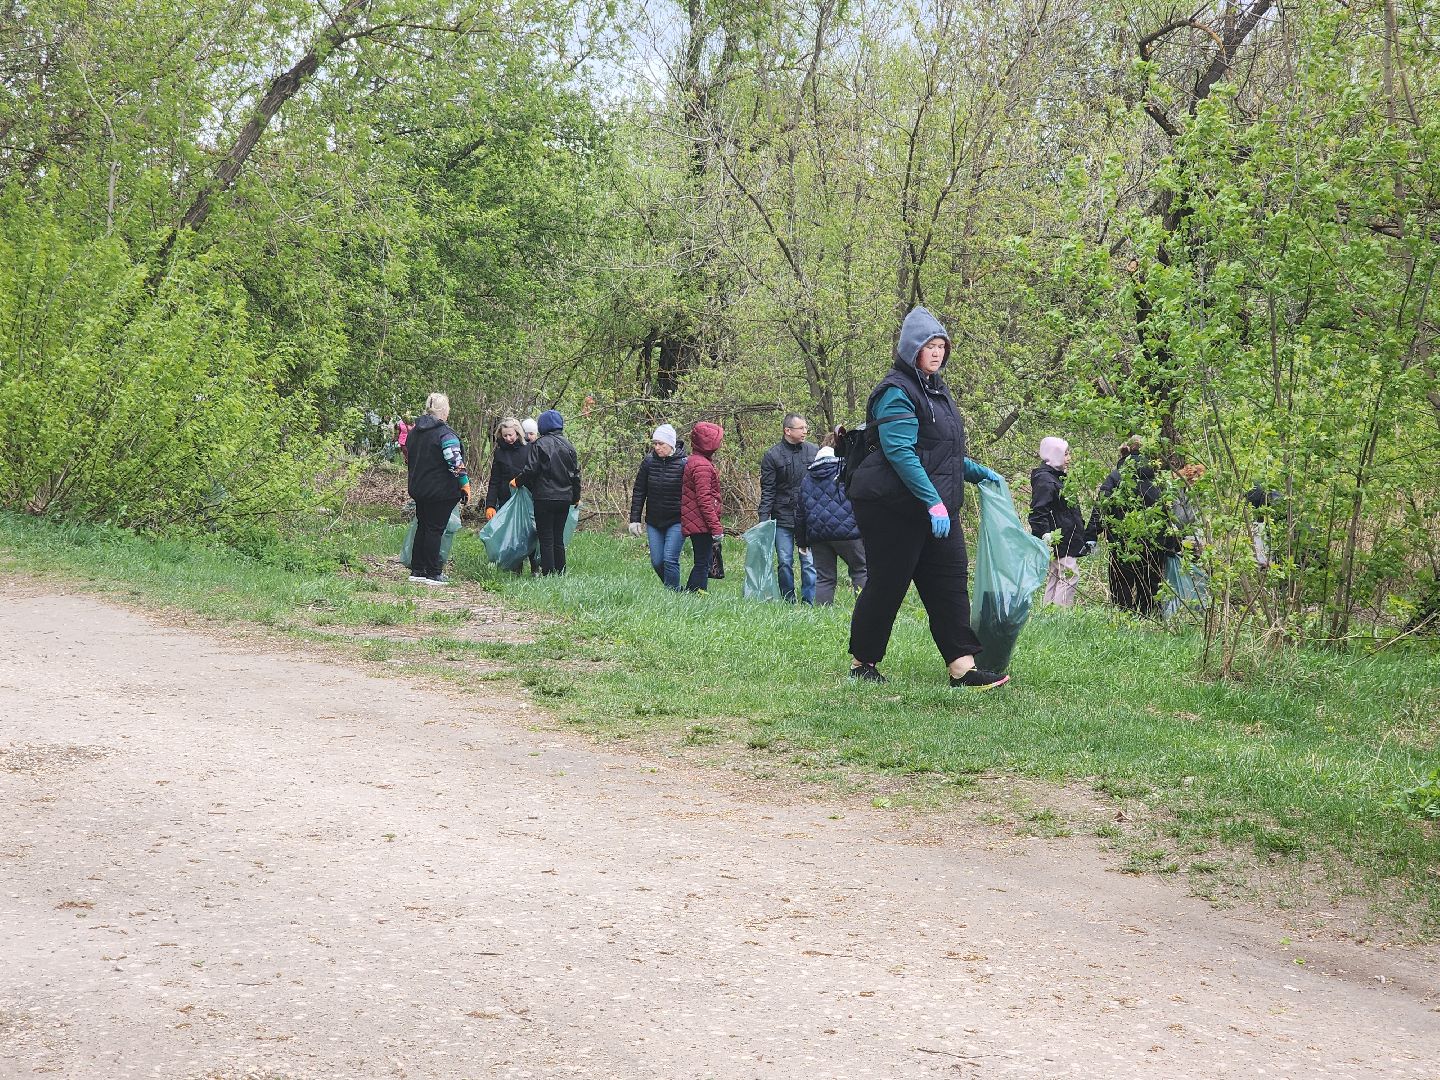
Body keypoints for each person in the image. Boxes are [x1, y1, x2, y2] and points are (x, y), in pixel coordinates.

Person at [844, 307, 1009, 689]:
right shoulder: (895, 392)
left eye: (941, 346)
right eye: (928, 346)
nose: (936, 353)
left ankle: (962, 668)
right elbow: (900, 452)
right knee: (888, 583)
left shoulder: (937, 391)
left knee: (949, 581)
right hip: (891, 507)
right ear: (910, 349)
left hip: (937, 506)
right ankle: (862, 662)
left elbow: (940, 453)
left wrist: (978, 472)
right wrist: (932, 502)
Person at [1087, 440, 1170, 616]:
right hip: (1153, 543)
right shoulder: (1158, 479)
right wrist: (1171, 543)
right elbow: (1167, 512)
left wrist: (1091, 535)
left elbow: (1101, 507)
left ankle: (1123, 618)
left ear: (1123, 453)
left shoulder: (1115, 477)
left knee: (1121, 583)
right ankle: (1149, 618)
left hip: (1121, 541)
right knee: (1150, 583)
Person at [405, 392, 469, 585]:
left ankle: (418, 570)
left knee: (423, 526)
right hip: (441, 491)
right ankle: (433, 572)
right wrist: (464, 484)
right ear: (444, 411)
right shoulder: (445, 434)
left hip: (419, 488)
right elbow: (455, 462)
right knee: (435, 529)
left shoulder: (414, 432)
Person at [794, 438, 867, 605]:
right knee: (860, 570)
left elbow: (800, 513)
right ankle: (865, 610)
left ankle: (823, 613)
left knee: (824, 578)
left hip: (818, 535)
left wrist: (801, 542)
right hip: (848, 532)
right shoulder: (847, 470)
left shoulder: (808, 478)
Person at [758, 413, 818, 603]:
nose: (805, 431)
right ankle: (788, 600)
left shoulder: (813, 451)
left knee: (808, 563)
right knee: (785, 562)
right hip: (782, 517)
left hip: (807, 518)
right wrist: (763, 520)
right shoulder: (772, 456)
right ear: (788, 431)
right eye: (801, 428)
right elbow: (768, 490)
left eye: (806, 428)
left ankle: (809, 601)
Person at [512, 409, 580, 575]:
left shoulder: (539, 445)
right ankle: (560, 571)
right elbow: (576, 475)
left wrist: (517, 482)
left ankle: (548, 572)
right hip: (564, 498)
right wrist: (575, 497)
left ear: (541, 426)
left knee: (546, 537)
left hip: (544, 497)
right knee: (558, 537)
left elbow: (530, 470)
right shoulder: (569, 446)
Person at [1027, 436, 1092, 607]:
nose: (1069, 458)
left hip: (1065, 537)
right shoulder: (1046, 480)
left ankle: (1048, 611)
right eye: (1065, 454)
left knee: (1056, 576)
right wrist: (1045, 534)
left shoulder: (1057, 478)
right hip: (1059, 538)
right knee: (1071, 575)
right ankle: (1060, 613)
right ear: (1054, 455)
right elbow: (1038, 511)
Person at [628, 424, 689, 590]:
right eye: (655, 443)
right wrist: (634, 519)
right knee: (657, 561)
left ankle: (673, 595)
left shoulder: (684, 463)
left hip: (677, 520)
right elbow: (639, 491)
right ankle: (675, 590)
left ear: (671, 443)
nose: (657, 447)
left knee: (669, 559)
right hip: (654, 521)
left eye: (661, 444)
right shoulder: (649, 462)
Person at [680, 421, 724, 592]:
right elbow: (704, 499)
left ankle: (693, 593)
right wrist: (716, 527)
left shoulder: (696, 461)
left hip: (696, 520)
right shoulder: (702, 466)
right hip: (700, 522)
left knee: (702, 561)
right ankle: (696, 593)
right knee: (702, 562)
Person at [483, 417, 530, 522]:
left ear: (517, 433)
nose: (508, 438)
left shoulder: (529, 449)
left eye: (510, 435)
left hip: (526, 499)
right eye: (505, 436)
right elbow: (494, 480)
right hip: (505, 500)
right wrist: (490, 505)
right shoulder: (499, 453)